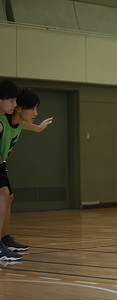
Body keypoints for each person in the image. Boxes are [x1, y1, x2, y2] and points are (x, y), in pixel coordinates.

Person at [0, 86, 53, 261]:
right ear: (19, 108)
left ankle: (4, 238)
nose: (36, 112)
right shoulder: (2, 122)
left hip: (1, 164)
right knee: (4, 194)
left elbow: (26, 126)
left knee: (9, 197)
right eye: (32, 108)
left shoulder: (19, 122)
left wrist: (39, 128)